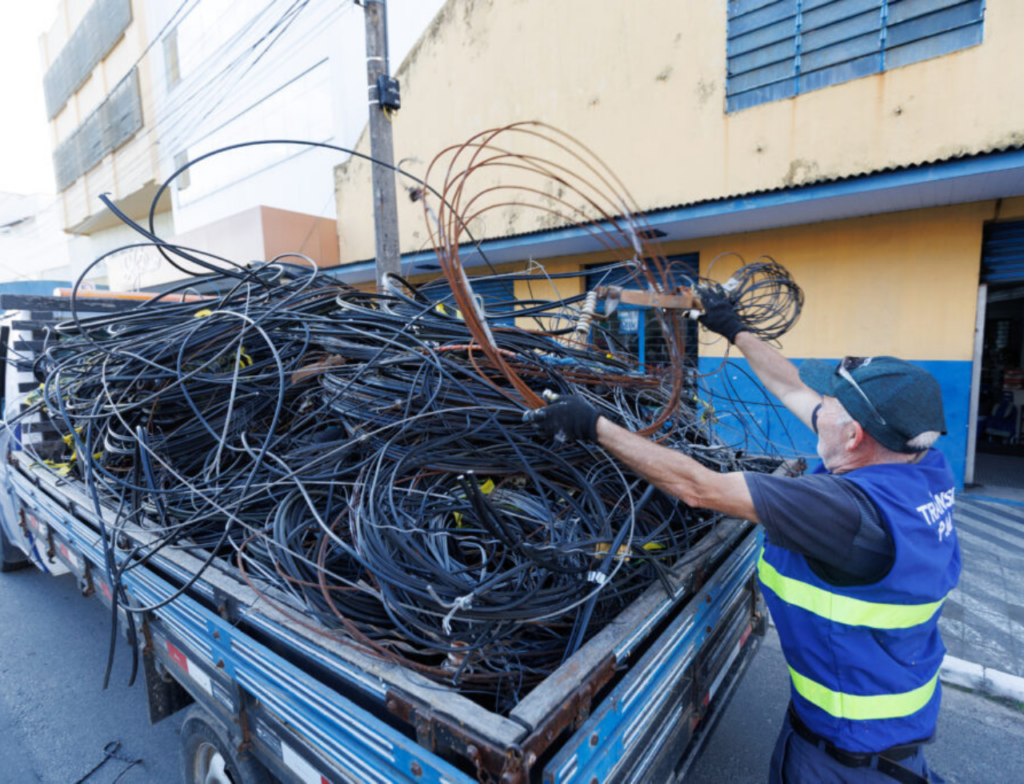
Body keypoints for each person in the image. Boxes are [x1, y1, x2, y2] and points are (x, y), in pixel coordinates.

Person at [529, 290, 960, 783]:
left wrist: (593, 425)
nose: (819, 408)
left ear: (855, 436)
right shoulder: (920, 467)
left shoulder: (842, 513)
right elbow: (792, 387)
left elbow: (697, 488)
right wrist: (734, 328)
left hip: (847, 761)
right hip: (865, 728)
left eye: (831, 405)